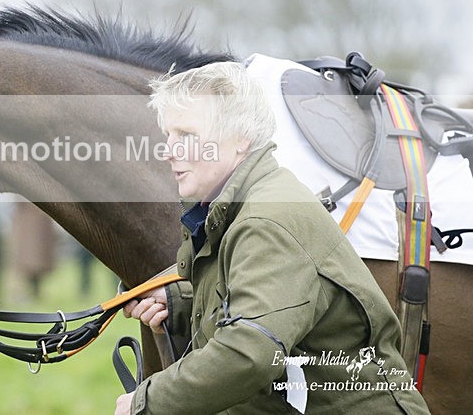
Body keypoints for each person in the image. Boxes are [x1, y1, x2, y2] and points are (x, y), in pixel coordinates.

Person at [116, 62, 429, 414]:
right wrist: (180, 301)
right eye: (168, 136)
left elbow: (248, 353)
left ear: (240, 140)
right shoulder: (238, 205)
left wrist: (144, 403)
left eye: (186, 136)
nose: (168, 151)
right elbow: (273, 303)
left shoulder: (267, 218)